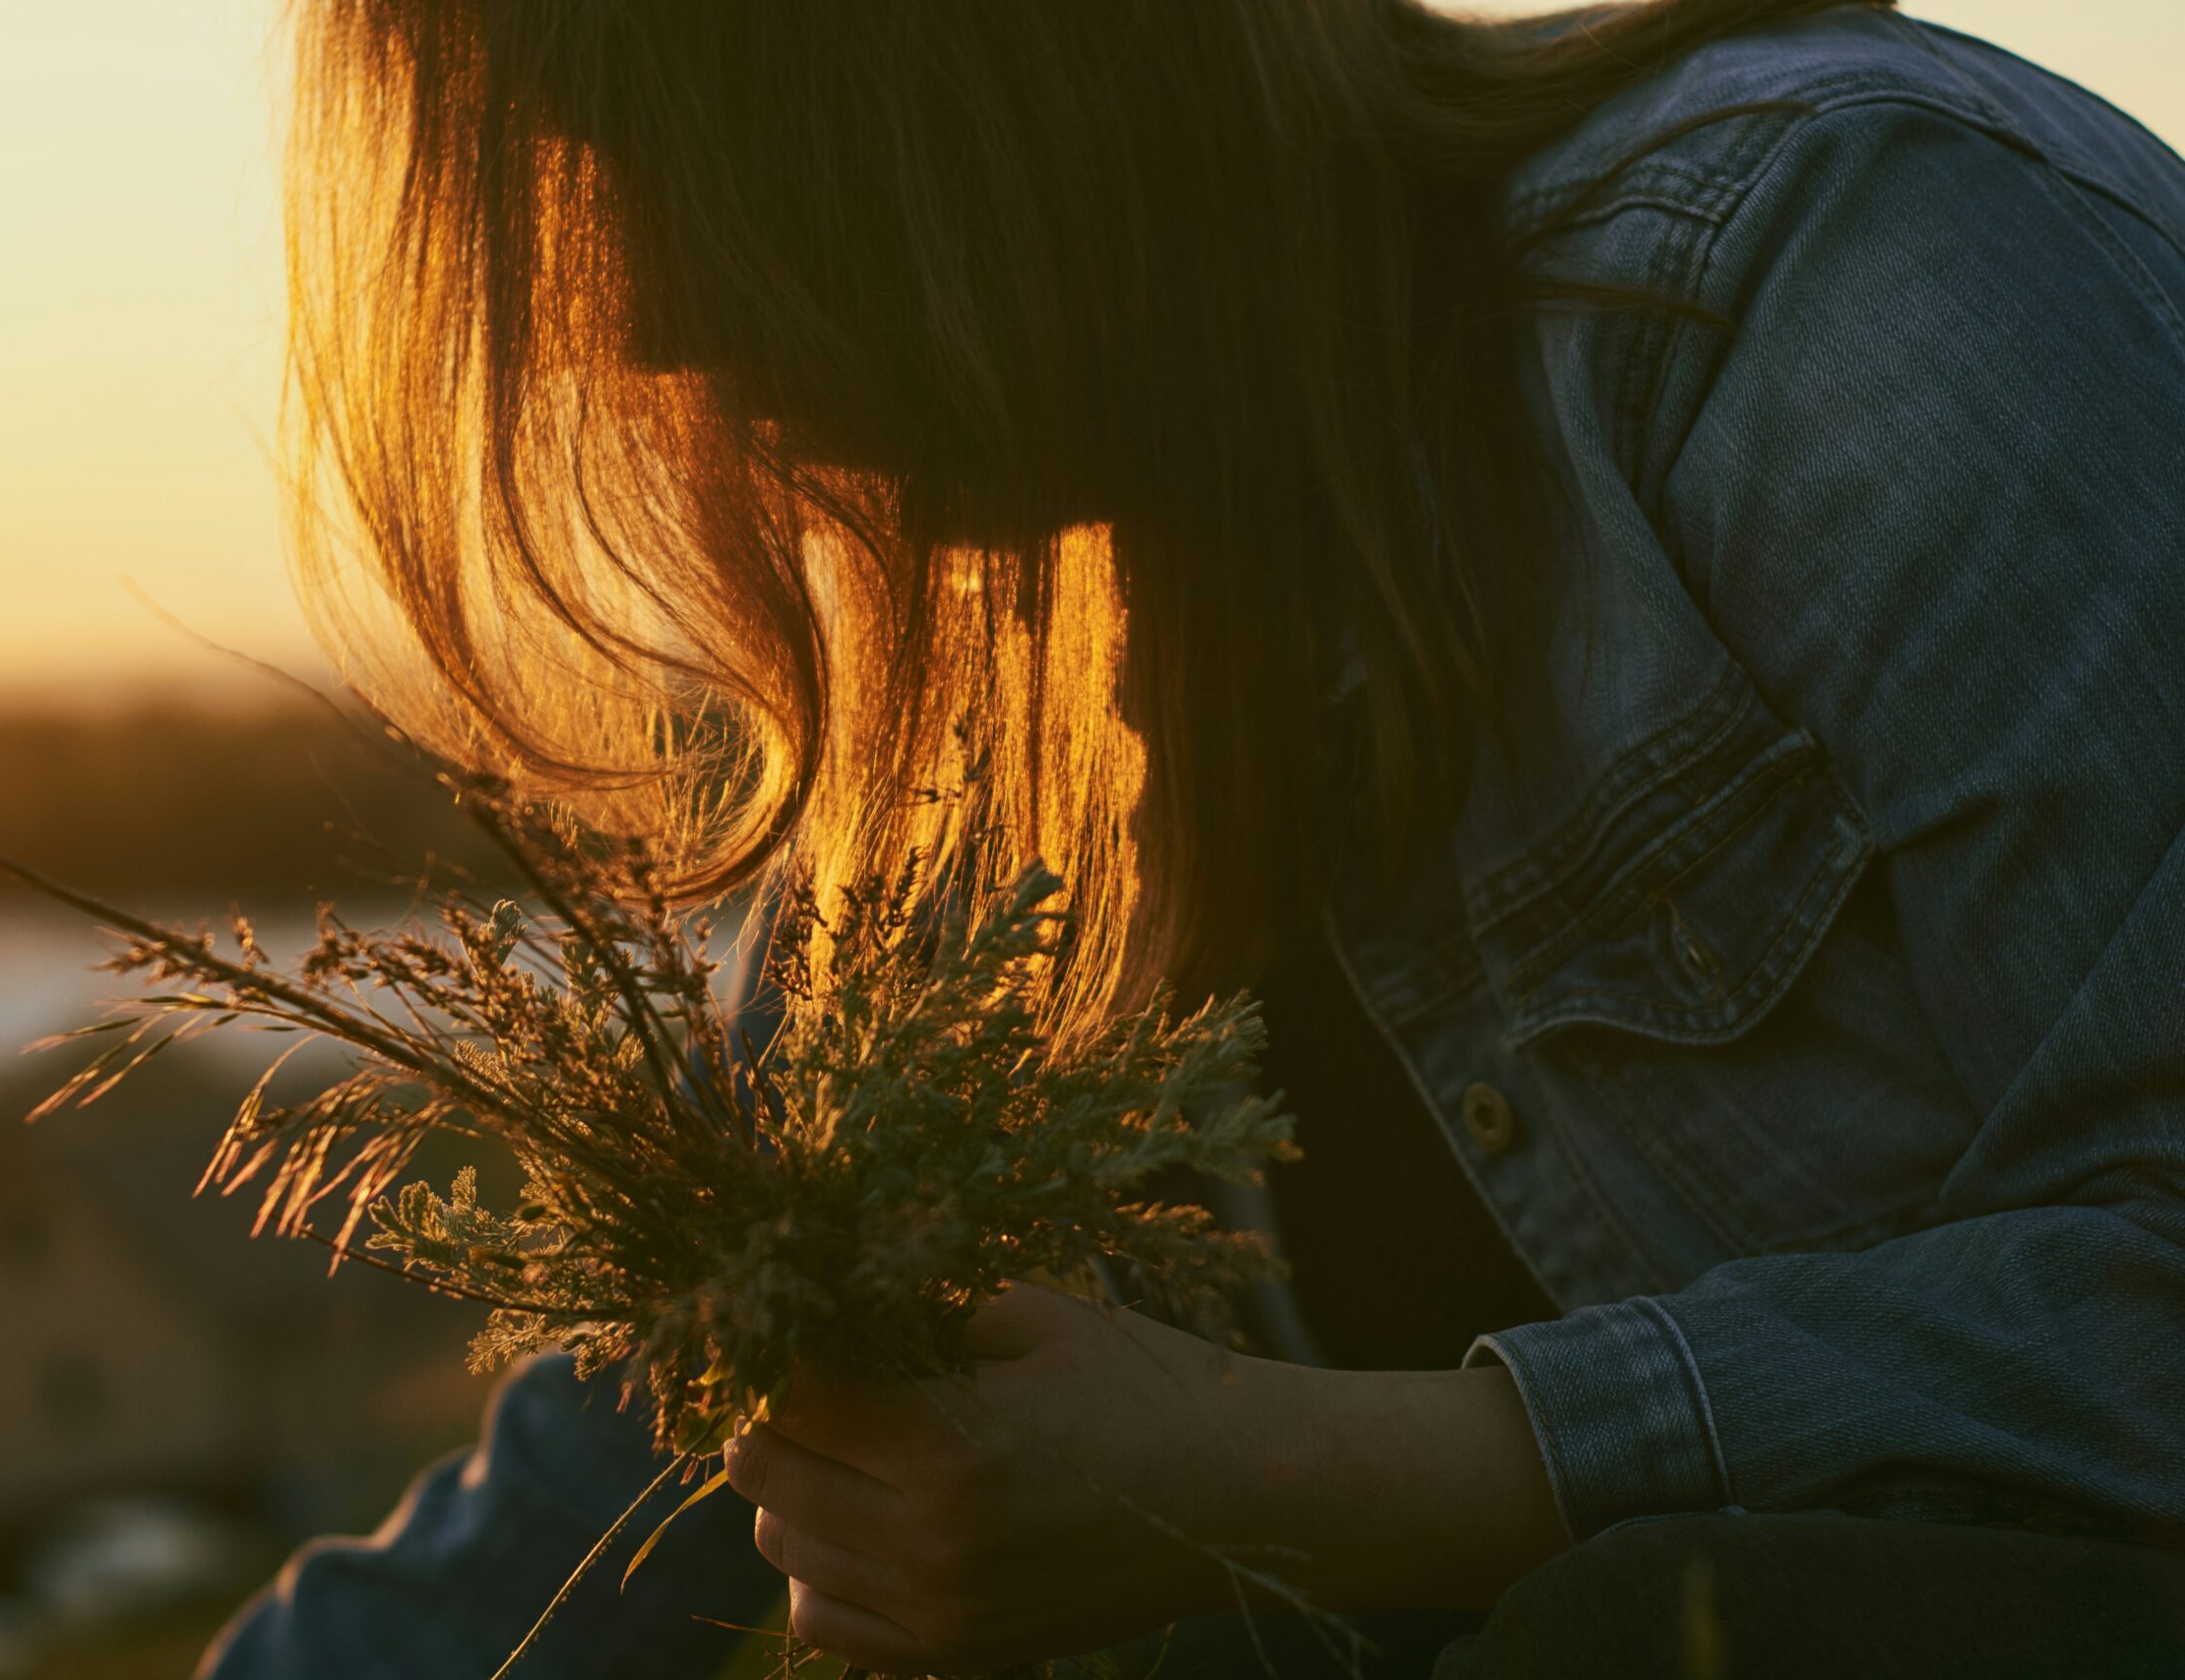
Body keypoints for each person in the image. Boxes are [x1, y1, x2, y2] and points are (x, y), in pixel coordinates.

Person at [205, 1, 2185, 1673]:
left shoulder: (1822, 267)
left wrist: (1324, 1475)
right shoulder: (991, 724)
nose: (627, 323)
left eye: (668, 164)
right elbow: (647, 1440)